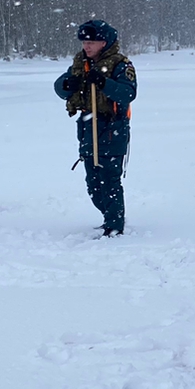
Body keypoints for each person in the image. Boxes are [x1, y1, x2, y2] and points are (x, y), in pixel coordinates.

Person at [53, 19, 136, 235]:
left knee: (110, 178)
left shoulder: (121, 64)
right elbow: (59, 87)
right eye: (84, 42)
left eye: (92, 42)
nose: (87, 46)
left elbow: (128, 93)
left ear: (104, 42)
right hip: (88, 128)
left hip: (112, 128)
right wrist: (66, 85)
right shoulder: (81, 63)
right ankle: (108, 216)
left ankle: (115, 224)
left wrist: (103, 82)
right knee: (93, 181)